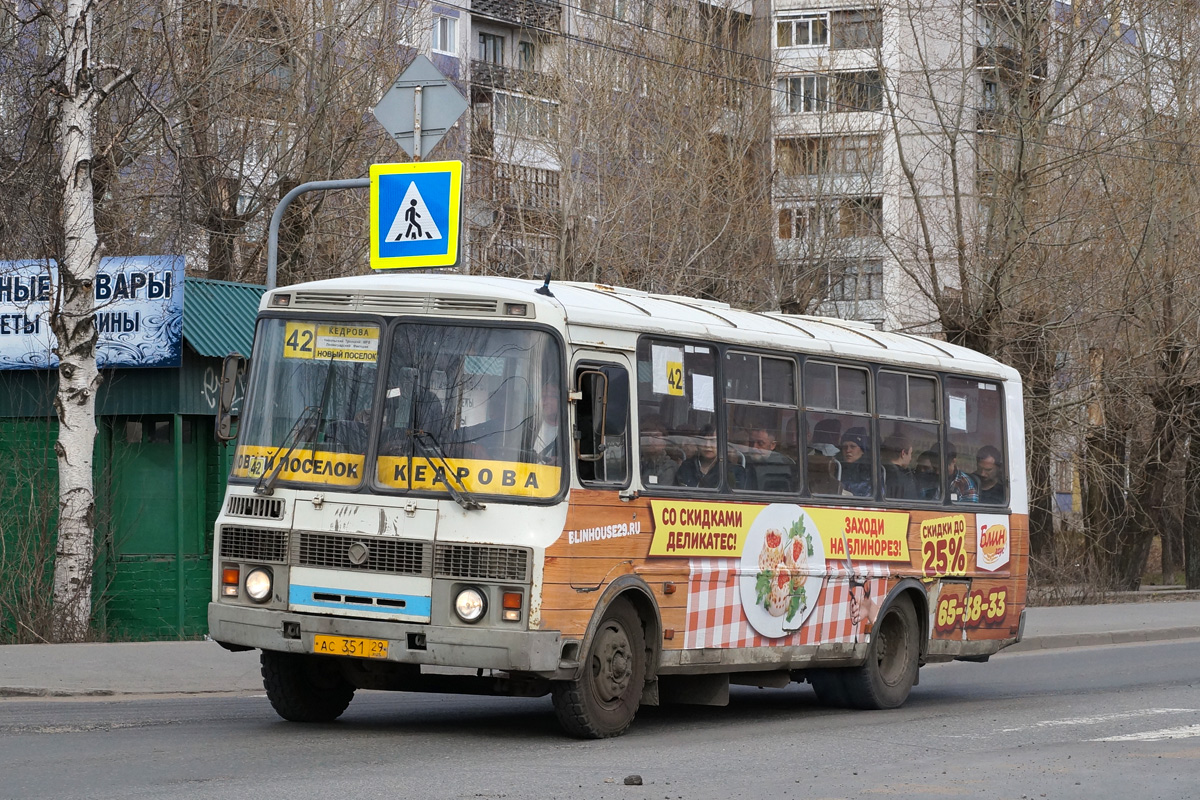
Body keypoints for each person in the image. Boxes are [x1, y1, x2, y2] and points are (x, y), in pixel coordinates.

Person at [675, 424, 747, 489]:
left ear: (722, 444)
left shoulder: (733, 471)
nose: (707, 445)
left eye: (712, 441)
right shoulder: (687, 466)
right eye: (703, 441)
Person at [639, 415, 679, 487]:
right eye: (646, 436)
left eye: (656, 436)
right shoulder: (632, 462)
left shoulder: (669, 467)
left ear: (664, 441)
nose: (650, 440)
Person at [880, 434, 917, 500]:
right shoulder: (905, 479)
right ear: (903, 453)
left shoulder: (876, 471)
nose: (910, 458)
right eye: (910, 453)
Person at [532, 379, 560, 465]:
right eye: (543, 397)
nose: (546, 401)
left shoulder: (573, 429)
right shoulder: (529, 426)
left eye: (552, 396)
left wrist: (562, 462)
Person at [838, 427, 872, 497]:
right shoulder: (836, 467)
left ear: (862, 450)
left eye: (852, 446)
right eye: (844, 447)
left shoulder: (871, 471)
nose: (848, 450)